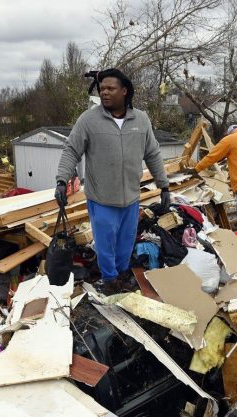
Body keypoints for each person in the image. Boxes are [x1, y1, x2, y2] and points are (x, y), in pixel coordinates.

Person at [55, 68, 170, 294]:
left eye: (110, 88)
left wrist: (164, 185)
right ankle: (110, 280)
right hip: (102, 198)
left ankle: (122, 274)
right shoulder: (89, 120)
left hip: (130, 196)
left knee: (126, 243)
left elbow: (153, 153)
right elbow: (71, 150)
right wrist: (61, 180)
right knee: (105, 243)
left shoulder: (141, 119)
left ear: (124, 91)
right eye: (102, 89)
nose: (105, 93)